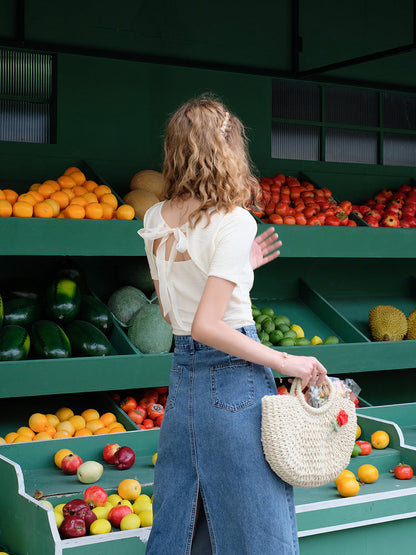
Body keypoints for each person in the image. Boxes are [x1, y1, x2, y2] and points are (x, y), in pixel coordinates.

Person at [138, 95, 327, 555]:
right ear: (227, 149)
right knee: (256, 522)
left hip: (184, 379)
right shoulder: (233, 220)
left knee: (186, 514)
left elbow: (174, 316)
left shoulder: (155, 218)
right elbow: (209, 323)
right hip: (236, 380)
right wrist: (289, 361)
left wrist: (242, 269)